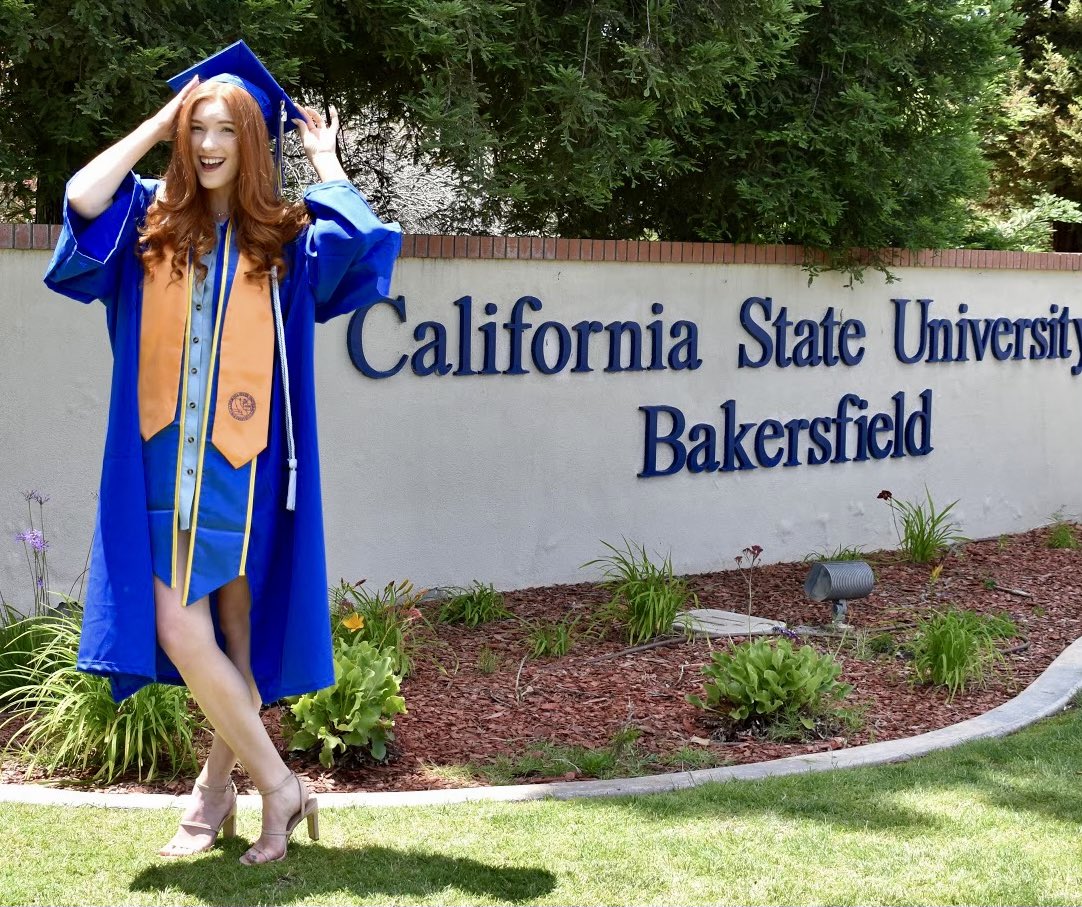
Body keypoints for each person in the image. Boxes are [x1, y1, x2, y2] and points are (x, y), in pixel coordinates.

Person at [43, 42, 402, 864]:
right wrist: (155, 124)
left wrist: (325, 158)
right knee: (180, 627)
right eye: (197, 128)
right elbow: (78, 196)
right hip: (161, 467)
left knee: (235, 644)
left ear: (251, 144)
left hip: (248, 477)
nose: (208, 145)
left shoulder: (283, 240)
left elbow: (362, 240)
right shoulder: (149, 219)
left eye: (225, 132)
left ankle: (222, 792)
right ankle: (277, 783)